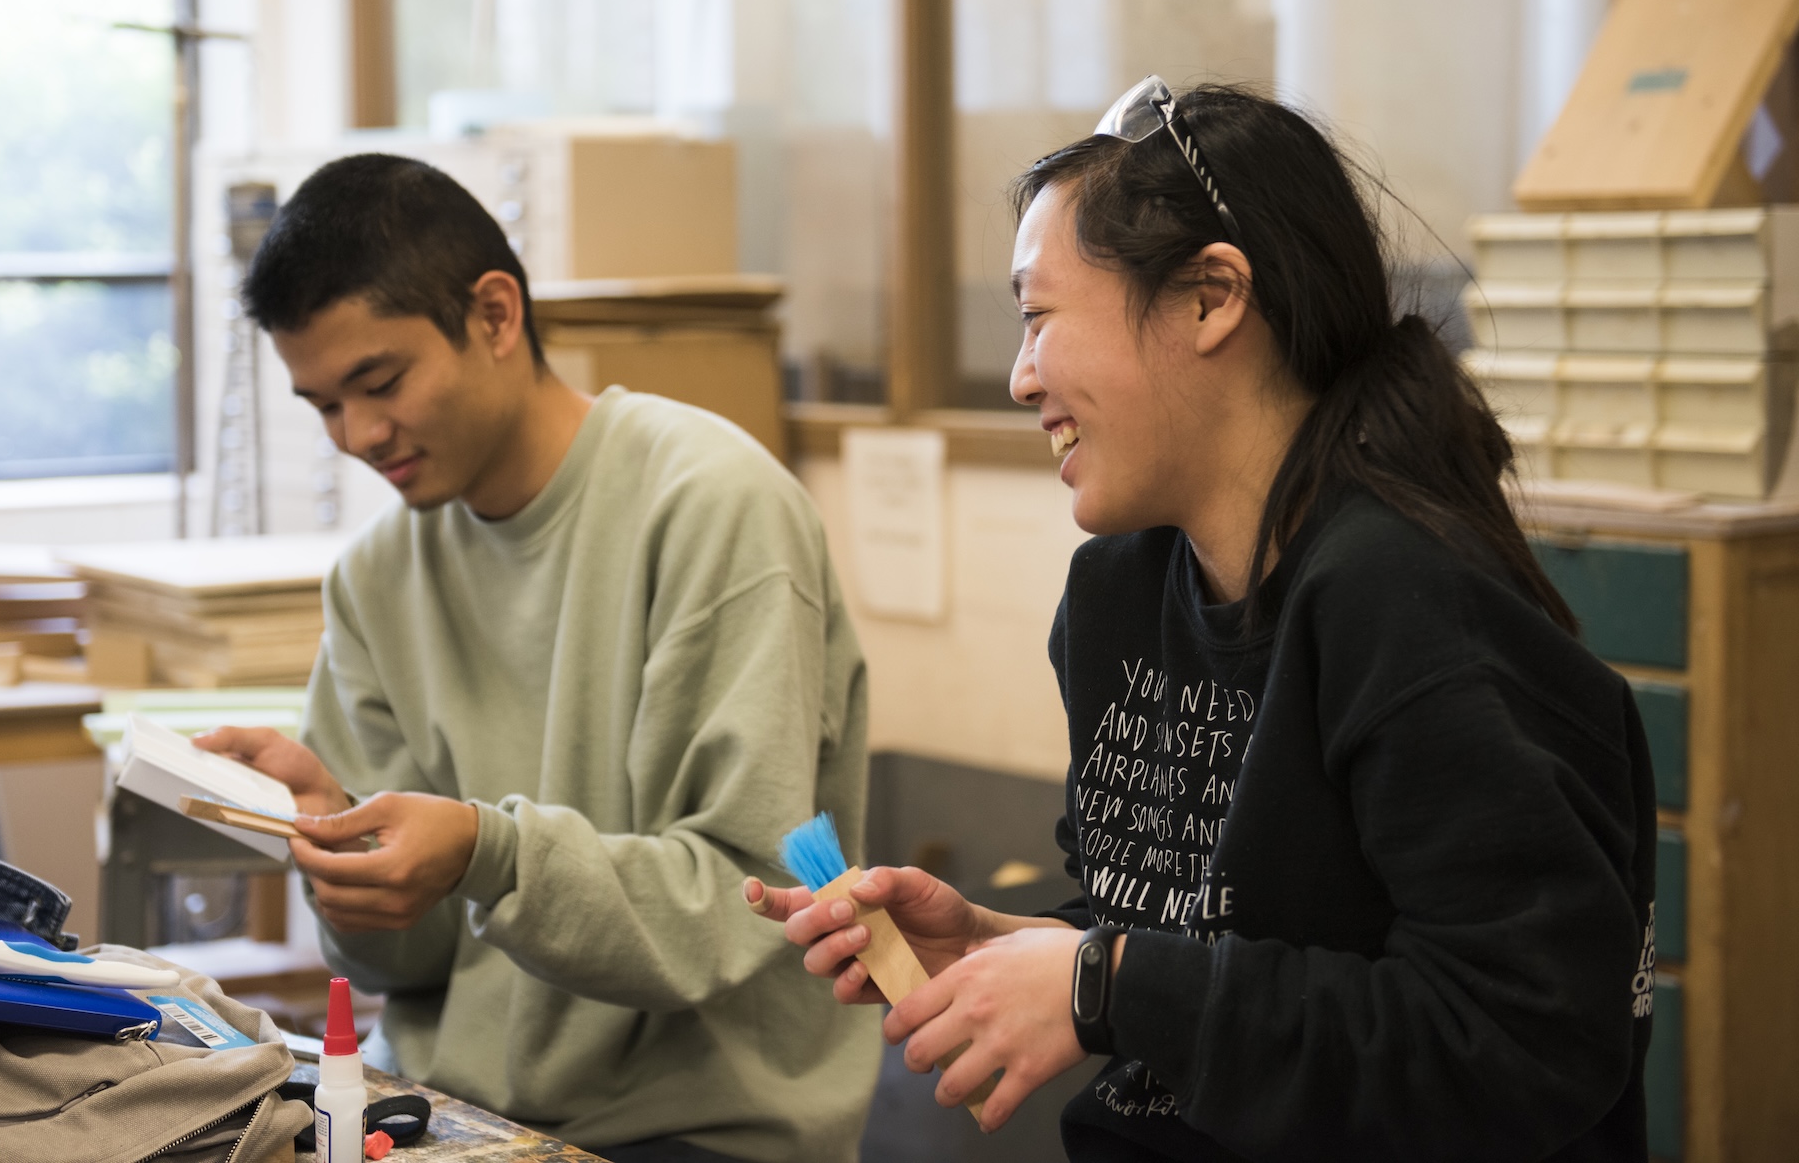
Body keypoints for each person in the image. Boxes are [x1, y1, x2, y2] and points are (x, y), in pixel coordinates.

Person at [751, 81, 1656, 1161]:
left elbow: (1526, 1038)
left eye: (1037, 317)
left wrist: (1104, 985)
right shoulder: (1116, 598)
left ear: (1206, 299)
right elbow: (1206, 944)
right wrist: (1012, 948)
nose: (1016, 375)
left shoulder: (1406, 603)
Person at [196, 153, 878, 1163]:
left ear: (495, 315)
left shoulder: (711, 508)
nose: (360, 435)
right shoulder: (377, 578)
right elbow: (402, 964)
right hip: (443, 1109)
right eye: (323, 405)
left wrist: (486, 852)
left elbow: (740, 907)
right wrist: (341, 845)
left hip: (695, 1133)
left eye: (379, 383)